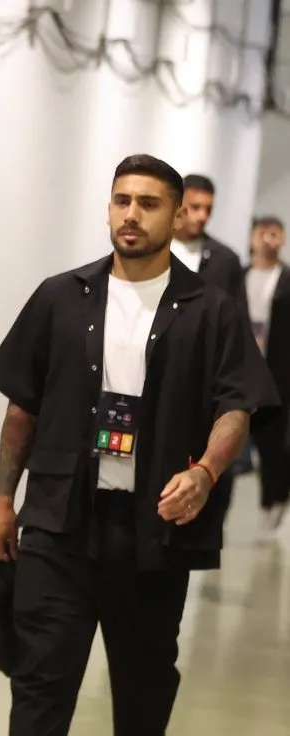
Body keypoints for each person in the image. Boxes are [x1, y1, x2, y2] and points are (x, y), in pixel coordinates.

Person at [0, 155, 276, 736]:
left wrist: (203, 474)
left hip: (152, 528)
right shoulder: (61, 297)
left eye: (147, 203)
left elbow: (235, 408)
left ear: (177, 216)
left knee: (143, 676)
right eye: (120, 200)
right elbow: (22, 405)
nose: (130, 215)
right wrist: (1, 498)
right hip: (60, 517)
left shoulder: (209, 310)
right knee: (43, 673)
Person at [171, 174, 249, 510]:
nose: (201, 216)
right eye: (194, 207)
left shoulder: (225, 261)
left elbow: (237, 324)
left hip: (205, 381)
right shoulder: (153, 251)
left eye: (208, 209)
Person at [246, 217, 290, 539]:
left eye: (275, 234)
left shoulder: (286, 280)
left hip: (278, 373)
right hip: (242, 370)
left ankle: (273, 503)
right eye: (264, 233)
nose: (269, 240)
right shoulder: (241, 277)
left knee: (275, 443)